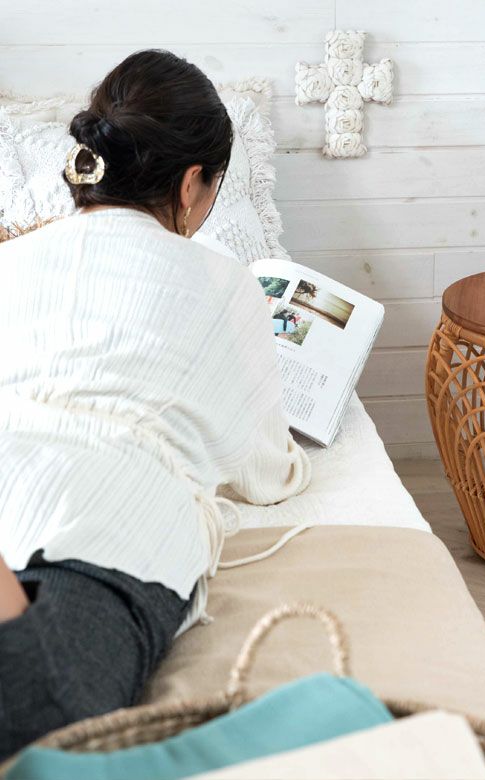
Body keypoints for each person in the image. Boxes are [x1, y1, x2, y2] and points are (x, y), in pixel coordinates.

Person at [0, 49, 311, 759]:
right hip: (107, 511)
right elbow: (264, 471)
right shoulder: (224, 283)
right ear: (193, 182)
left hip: (10, 458)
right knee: (52, 714)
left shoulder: (10, 260)